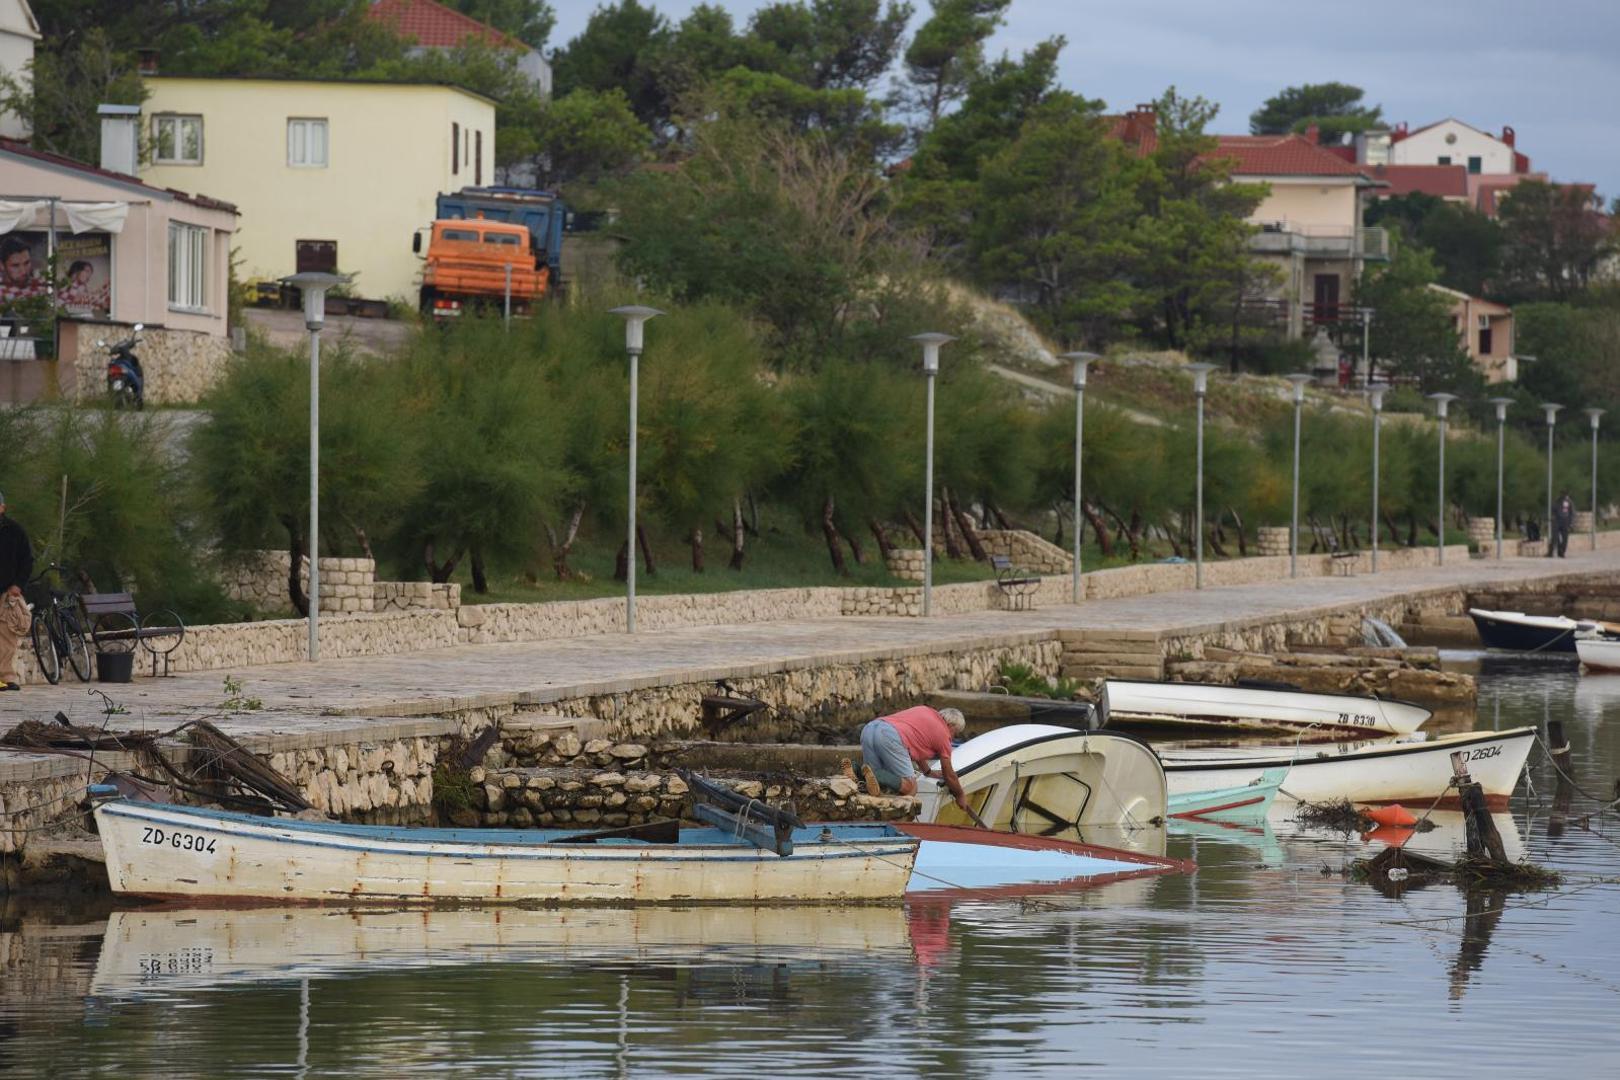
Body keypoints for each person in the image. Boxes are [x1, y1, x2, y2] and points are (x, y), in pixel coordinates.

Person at [855, 705, 971, 812]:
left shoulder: (925, 711)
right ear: (951, 725)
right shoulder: (943, 734)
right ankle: (876, 775)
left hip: (870, 728)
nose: (952, 737)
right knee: (911, 788)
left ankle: (857, 770)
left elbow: (916, 746)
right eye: (955, 733)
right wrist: (960, 795)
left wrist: (927, 771)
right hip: (890, 736)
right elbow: (948, 774)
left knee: (874, 787)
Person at [0, 489, 33, 691]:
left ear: (3, 507)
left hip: (6, 592)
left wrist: (18, 585)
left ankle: (6, 677)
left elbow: (26, 560)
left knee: (7, 636)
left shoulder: (15, 531)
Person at [1551, 491, 1575, 558]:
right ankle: (1558, 552)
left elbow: (1572, 513)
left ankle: (1562, 552)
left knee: (1565, 538)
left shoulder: (1569, 502)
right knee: (1556, 538)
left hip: (1565, 522)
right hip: (1557, 521)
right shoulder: (1557, 501)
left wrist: (1571, 523)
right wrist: (1553, 518)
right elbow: (1553, 510)